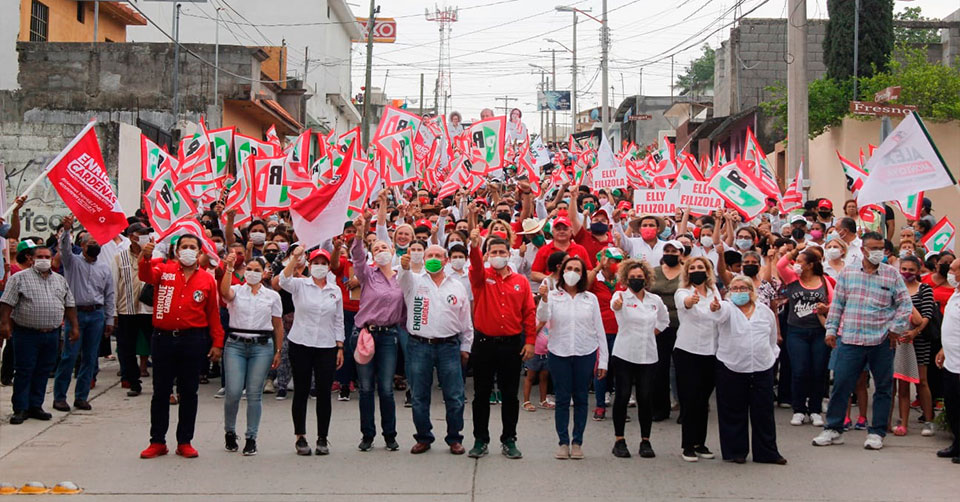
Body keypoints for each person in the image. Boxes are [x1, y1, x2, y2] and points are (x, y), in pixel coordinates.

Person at [813, 232, 912, 450]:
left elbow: (905, 304)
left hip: (881, 341)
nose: (878, 252)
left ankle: (876, 432)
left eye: (881, 248)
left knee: (883, 387)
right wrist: (831, 330)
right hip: (850, 339)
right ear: (863, 250)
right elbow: (837, 304)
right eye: (873, 248)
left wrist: (895, 329)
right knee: (841, 385)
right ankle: (833, 428)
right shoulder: (848, 273)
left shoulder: (892, 275)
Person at [136, 235, 223, 459]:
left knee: (189, 392)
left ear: (200, 253)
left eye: (192, 247)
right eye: (184, 246)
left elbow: (213, 313)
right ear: (176, 251)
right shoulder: (163, 271)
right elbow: (145, 275)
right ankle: (157, 441)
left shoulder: (207, 280)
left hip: (192, 340)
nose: (188, 250)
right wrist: (146, 257)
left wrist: (217, 343)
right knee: (161, 392)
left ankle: (185, 441)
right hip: (163, 339)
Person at [468, 229, 536, 460]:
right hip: (484, 344)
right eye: (493, 252)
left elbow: (529, 312)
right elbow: (475, 266)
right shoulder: (481, 278)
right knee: (481, 394)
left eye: (502, 252)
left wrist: (530, 341)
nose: (498, 255)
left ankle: (509, 439)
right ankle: (480, 439)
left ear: (509, 254)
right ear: (487, 255)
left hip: (511, 345)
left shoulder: (521, 281)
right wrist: (474, 247)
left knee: (509, 395)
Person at [398, 245, 473, 455]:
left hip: (449, 346)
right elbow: (402, 277)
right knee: (419, 395)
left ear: (446, 260)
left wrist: (466, 346)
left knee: (455, 395)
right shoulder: (414, 281)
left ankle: (454, 438)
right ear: (423, 259)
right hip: (419, 345)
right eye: (429, 255)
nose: (433, 258)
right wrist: (404, 267)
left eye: (438, 256)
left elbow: (465, 319)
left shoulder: (457, 286)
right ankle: (423, 437)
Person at [537, 256, 608, 459]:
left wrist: (603, 361)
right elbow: (542, 317)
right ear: (562, 271)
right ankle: (563, 442)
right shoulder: (552, 295)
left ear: (583, 274)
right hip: (559, 352)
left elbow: (599, 330)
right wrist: (544, 299)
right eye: (569, 268)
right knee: (562, 399)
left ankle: (577, 442)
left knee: (581, 398)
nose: (572, 272)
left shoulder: (590, 299)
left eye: (577, 269)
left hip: (585, 352)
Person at [714, 276, 787, 465]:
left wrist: (772, 355)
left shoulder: (764, 311)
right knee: (733, 410)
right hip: (732, 365)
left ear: (751, 290)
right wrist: (715, 307)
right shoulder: (727, 308)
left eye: (743, 288)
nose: (739, 292)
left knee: (764, 412)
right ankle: (735, 451)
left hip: (762, 366)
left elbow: (772, 336)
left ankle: (767, 452)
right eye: (735, 288)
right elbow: (718, 314)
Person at [0, 246, 78, 424]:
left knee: (43, 370)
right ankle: (20, 408)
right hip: (26, 333)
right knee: (24, 370)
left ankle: (36, 405)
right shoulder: (19, 278)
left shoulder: (59, 280)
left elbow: (69, 304)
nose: (44, 260)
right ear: (31, 259)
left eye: (47, 256)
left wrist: (74, 327)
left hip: (51, 334)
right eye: (40, 256)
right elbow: (6, 303)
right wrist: (4, 324)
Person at [280, 247, 345, 456]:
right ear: (310, 265)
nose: (319, 267)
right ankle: (300, 436)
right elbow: (283, 280)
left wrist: (340, 346)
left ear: (329, 267)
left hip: (326, 345)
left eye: (323, 263)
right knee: (301, 390)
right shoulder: (300, 285)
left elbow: (339, 319)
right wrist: (295, 258)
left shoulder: (335, 290)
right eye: (316, 263)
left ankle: (322, 437)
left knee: (324, 392)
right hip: (301, 342)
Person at [220, 253, 283, 456]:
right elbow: (224, 293)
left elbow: (278, 324)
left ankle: (251, 437)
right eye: (249, 269)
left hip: (261, 346)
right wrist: (229, 269)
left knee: (254, 393)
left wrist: (278, 350)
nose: (252, 273)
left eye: (257, 270)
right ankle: (230, 431)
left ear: (264, 273)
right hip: (235, 344)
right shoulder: (237, 291)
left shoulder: (272, 296)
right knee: (233, 391)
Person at [351, 214, 405, 452]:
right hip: (366, 335)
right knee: (365, 388)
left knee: (385, 388)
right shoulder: (368, 275)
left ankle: (390, 435)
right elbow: (357, 257)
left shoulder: (401, 277)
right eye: (376, 249)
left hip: (389, 337)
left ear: (392, 251)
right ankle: (367, 435)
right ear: (372, 255)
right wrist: (360, 234)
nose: (381, 251)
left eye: (384, 247)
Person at [52, 215, 116, 413]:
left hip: (96, 315)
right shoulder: (72, 263)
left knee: (90, 357)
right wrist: (67, 230)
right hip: (76, 315)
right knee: (69, 356)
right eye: (90, 243)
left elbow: (109, 295)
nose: (94, 246)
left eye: (97, 243)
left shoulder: (104, 268)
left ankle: (81, 397)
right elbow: (64, 249)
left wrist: (109, 319)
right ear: (82, 245)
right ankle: (60, 397)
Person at [609, 259, 669, 459]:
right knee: (623, 395)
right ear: (626, 279)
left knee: (645, 397)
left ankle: (645, 440)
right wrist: (617, 305)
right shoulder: (621, 296)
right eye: (632, 277)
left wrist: (651, 333)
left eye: (639, 277)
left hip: (648, 355)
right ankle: (619, 440)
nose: (636, 280)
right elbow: (614, 306)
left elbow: (664, 320)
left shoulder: (654, 300)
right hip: (625, 354)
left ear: (646, 279)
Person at [777, 247, 833, 427]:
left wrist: (826, 309)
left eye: (801, 262)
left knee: (818, 371)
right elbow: (781, 265)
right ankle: (799, 409)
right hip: (796, 331)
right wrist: (794, 252)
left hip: (818, 331)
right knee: (800, 370)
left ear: (810, 265)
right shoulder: (792, 278)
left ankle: (815, 410)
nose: (797, 264)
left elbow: (834, 303)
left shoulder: (823, 281)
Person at [674, 256, 722, 462]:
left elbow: (719, 313)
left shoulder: (713, 291)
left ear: (707, 270)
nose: (696, 270)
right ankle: (687, 445)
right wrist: (690, 302)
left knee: (703, 400)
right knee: (690, 399)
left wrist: (717, 309)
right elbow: (683, 304)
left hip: (711, 351)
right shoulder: (683, 292)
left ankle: (700, 443)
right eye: (692, 268)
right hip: (688, 350)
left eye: (700, 267)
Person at [894, 256, 936, 437]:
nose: (907, 273)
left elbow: (927, 316)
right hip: (900, 340)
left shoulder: (924, 289)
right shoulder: (896, 288)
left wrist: (915, 332)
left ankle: (929, 420)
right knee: (902, 383)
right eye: (904, 269)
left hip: (919, 340)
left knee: (922, 381)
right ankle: (902, 421)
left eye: (911, 270)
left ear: (918, 271)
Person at [112, 223, 153, 397]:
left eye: (146, 233)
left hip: (149, 310)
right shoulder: (119, 257)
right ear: (131, 237)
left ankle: (161, 383)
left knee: (156, 348)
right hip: (127, 309)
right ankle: (134, 382)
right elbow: (114, 285)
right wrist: (113, 312)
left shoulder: (156, 255)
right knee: (126, 349)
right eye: (140, 233)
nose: (144, 236)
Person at [648, 240, 684, 421]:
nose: (670, 254)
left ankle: (684, 408)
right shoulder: (654, 272)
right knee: (659, 367)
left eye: (674, 251)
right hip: (658, 325)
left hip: (681, 325)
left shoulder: (686, 273)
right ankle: (660, 409)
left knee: (682, 368)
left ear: (681, 254)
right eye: (667, 250)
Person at [934, 256, 960, 463]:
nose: (949, 273)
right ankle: (957, 444)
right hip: (951, 361)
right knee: (952, 407)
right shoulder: (955, 294)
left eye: (953, 270)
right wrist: (944, 349)